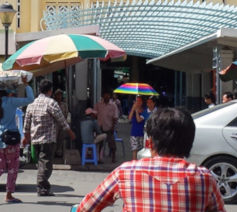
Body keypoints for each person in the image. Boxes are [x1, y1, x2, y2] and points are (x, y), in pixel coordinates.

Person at [76, 107, 226, 212]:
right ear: (189, 142)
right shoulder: (205, 177)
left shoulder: (125, 172)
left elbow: (86, 208)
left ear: (150, 142)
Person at [0, 83, 34, 204]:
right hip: (11, 140)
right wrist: (26, 85)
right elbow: (30, 99)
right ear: (9, 92)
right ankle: (9, 195)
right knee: (12, 169)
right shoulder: (12, 101)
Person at [22, 79, 75, 197]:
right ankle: (41, 186)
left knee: (41, 164)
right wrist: (70, 132)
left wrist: (26, 137)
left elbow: (26, 123)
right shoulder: (51, 103)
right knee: (46, 164)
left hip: (35, 139)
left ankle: (43, 187)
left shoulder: (32, 104)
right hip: (48, 139)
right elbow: (61, 119)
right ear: (50, 91)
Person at [93, 92, 119, 163]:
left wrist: (113, 127)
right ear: (103, 97)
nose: (106, 97)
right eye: (105, 96)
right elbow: (94, 114)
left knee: (112, 144)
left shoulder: (113, 105)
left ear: (109, 96)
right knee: (100, 144)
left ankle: (113, 157)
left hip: (109, 127)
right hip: (100, 127)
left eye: (107, 96)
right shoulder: (98, 105)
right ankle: (99, 158)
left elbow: (115, 117)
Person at [53, 89, 70, 157]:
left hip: (62, 124)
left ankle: (59, 152)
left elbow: (66, 113)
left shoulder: (64, 105)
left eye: (60, 95)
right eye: (57, 95)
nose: (59, 97)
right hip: (55, 124)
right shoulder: (53, 104)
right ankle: (53, 153)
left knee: (61, 138)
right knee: (54, 139)